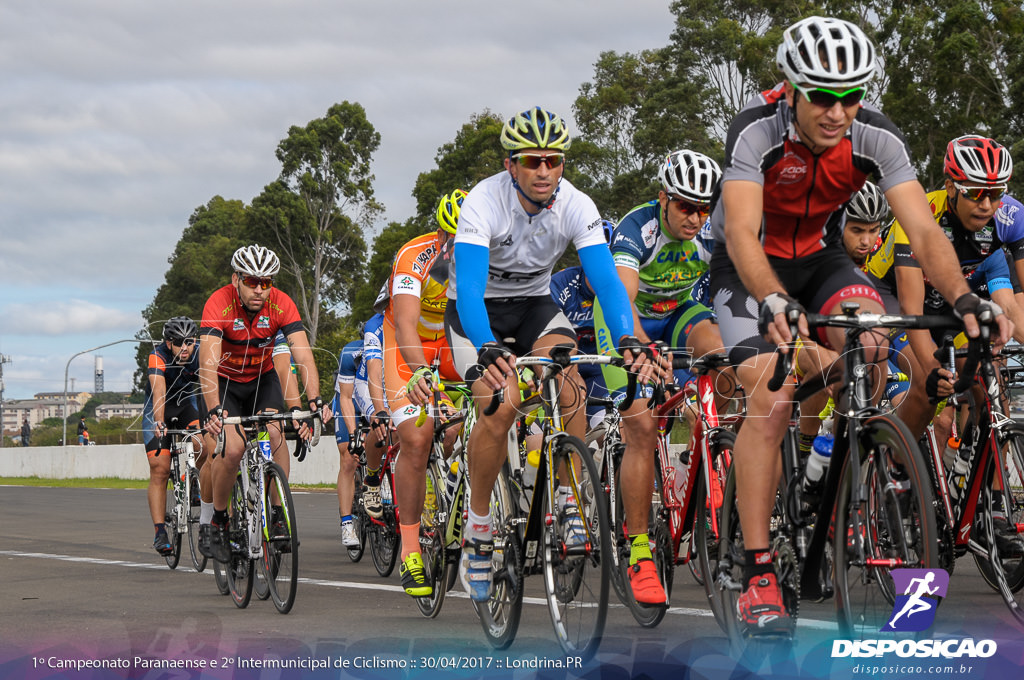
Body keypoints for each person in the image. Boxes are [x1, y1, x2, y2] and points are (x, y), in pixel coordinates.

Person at [708, 16, 1011, 636]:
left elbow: (923, 230)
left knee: (872, 345)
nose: (837, 112)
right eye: (822, 96)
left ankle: (852, 485)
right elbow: (740, 231)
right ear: (790, 89)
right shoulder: (754, 131)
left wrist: (962, 297)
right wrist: (769, 298)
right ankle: (759, 567)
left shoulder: (875, 134)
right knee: (771, 389)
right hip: (748, 269)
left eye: (851, 96)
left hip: (820, 260)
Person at [446, 107, 654, 602]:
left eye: (553, 161)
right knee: (499, 403)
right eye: (533, 161)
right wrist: (486, 346)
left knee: (572, 382)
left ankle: (566, 498)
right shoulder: (483, 203)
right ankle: (477, 529)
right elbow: (471, 291)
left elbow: (605, 281)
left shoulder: (577, 205)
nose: (544, 171)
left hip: (535, 307)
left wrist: (626, 337)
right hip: (475, 313)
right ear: (510, 164)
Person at [596, 149, 730, 606]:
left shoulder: (713, 230)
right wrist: (639, 348)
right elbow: (623, 294)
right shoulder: (639, 228)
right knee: (642, 425)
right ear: (663, 199)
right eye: (685, 207)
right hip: (624, 316)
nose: (695, 218)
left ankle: (712, 455)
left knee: (726, 363)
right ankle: (639, 552)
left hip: (677, 313)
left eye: (703, 208)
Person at [198, 244, 331, 563]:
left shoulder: (282, 304)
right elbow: (208, 363)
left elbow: (302, 355)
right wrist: (216, 409)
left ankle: (278, 512)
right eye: (251, 281)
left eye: (266, 282)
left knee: (274, 433)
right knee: (232, 450)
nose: (259, 289)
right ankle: (218, 521)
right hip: (227, 383)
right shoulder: (218, 303)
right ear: (236, 280)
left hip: (262, 380)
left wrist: (313, 400)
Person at [380, 189, 465, 598]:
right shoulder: (415, 256)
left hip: (449, 342)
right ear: (440, 235)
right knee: (417, 435)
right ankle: (411, 550)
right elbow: (407, 324)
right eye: (453, 238)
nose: (459, 247)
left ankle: (462, 494)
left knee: (488, 409)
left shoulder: (492, 251)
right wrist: (418, 373)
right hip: (405, 344)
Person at [143, 316, 202, 556]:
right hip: (158, 408)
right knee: (160, 468)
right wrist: (159, 420)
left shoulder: (200, 353)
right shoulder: (158, 356)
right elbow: (158, 391)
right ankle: (159, 532)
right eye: (179, 342)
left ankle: (193, 483)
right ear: (169, 343)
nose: (185, 347)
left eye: (189, 342)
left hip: (187, 404)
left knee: (202, 443)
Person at [333, 337, 364, 549]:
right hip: (348, 400)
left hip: (375, 401)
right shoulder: (351, 352)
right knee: (349, 457)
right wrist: (354, 436)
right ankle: (347, 523)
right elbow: (346, 398)